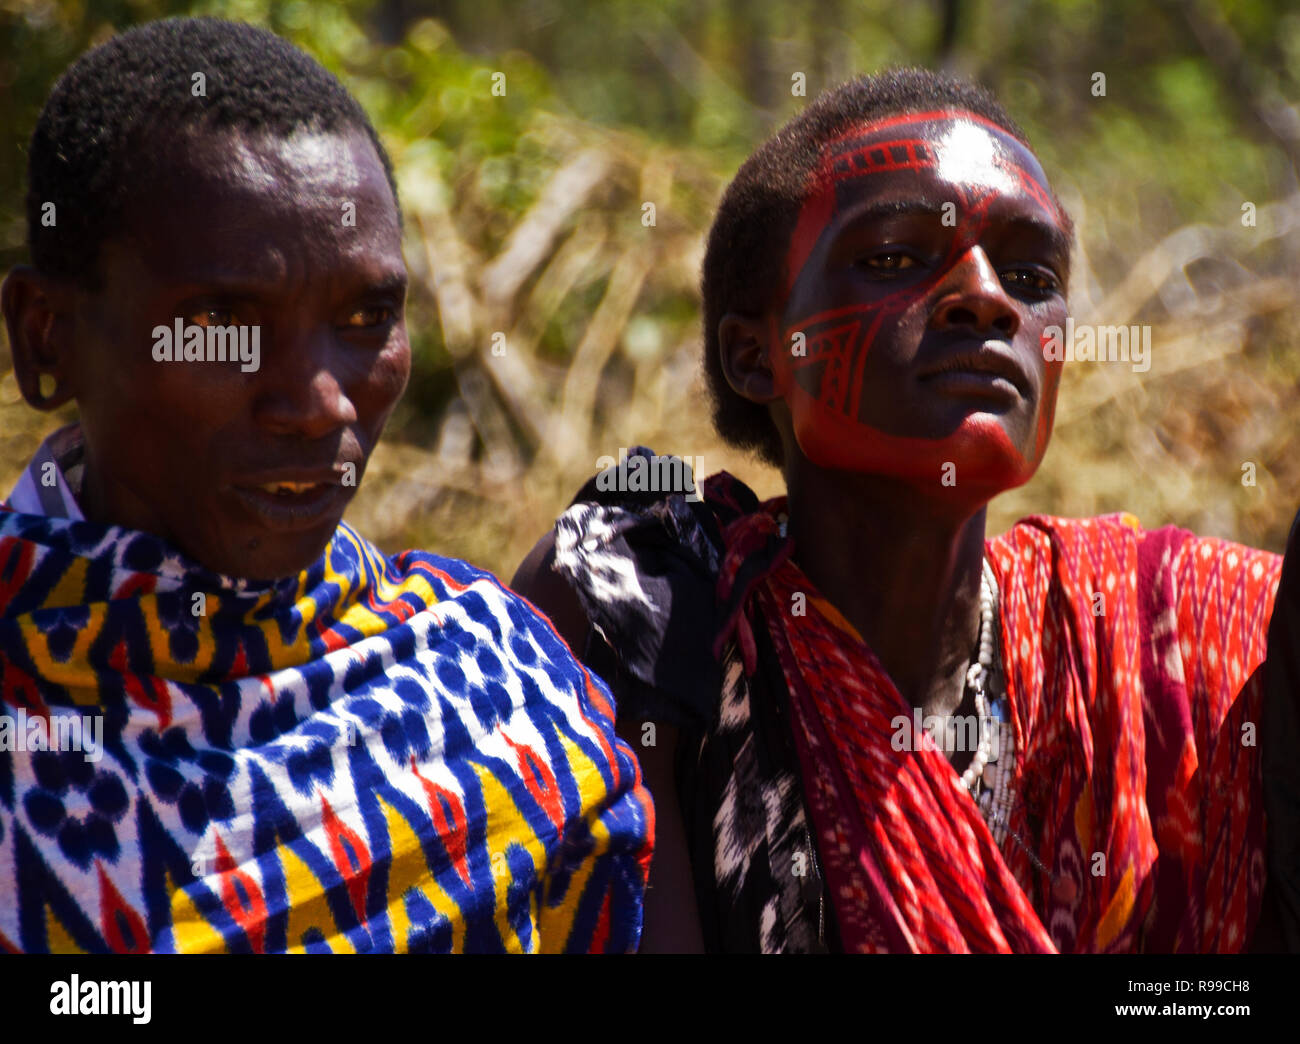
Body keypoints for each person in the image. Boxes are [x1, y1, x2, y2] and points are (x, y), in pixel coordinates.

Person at [513, 68, 1282, 953]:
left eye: (1032, 274)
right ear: (754, 355)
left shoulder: (1157, 632)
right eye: (893, 258)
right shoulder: (647, 607)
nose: (987, 296)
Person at [0, 16, 650, 953]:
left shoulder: (498, 689)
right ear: (46, 337)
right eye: (225, 319)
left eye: (365, 315)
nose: (316, 405)